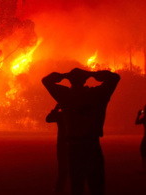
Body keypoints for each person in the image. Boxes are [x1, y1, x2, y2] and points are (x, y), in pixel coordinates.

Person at [42, 67, 120, 195]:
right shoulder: (98, 95)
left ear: (71, 81)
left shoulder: (65, 96)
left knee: (77, 186)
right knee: (97, 186)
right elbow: (115, 78)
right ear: (85, 80)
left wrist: (64, 74)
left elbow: (46, 81)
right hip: (93, 145)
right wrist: (91, 74)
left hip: (75, 146)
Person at [46, 104, 68, 193]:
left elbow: (48, 119)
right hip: (74, 144)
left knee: (62, 169)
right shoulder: (75, 113)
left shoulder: (60, 115)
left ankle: (59, 189)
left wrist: (55, 109)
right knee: (77, 169)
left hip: (62, 144)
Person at [135, 105, 146, 173]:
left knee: (143, 152)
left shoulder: (145, 118)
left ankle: (144, 169)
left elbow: (137, 122)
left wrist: (138, 115)